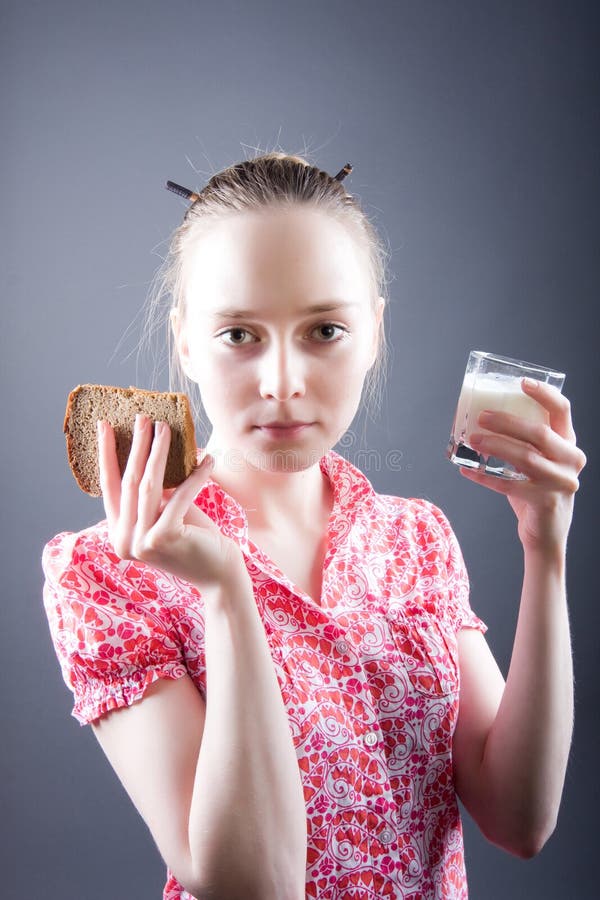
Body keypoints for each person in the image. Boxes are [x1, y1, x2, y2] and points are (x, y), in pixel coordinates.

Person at [41, 152, 586, 900]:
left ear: (373, 333)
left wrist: (544, 549)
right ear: (185, 343)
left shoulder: (415, 540)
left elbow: (519, 820)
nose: (283, 382)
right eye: (239, 334)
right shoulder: (109, 573)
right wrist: (228, 592)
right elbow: (250, 884)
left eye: (324, 329)